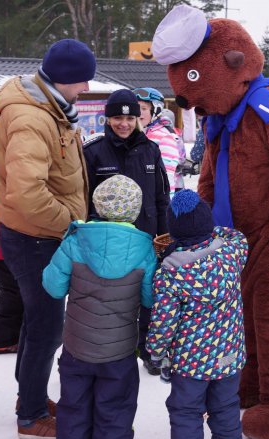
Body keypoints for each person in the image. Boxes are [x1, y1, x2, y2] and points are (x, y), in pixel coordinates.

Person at [0, 38, 95, 438]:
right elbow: (27, 193)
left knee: (38, 323)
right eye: (82, 80)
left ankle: (28, 397)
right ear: (64, 79)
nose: (86, 88)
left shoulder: (50, 109)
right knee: (47, 327)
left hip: (40, 234)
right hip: (36, 237)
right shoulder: (32, 118)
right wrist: (70, 224)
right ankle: (32, 415)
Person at [42, 175, 156, 439]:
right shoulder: (144, 250)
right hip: (118, 354)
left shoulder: (76, 241)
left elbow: (52, 286)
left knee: (73, 411)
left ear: (97, 205)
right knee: (115, 413)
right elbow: (149, 299)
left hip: (77, 349)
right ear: (134, 211)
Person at [146, 189, 247, 439]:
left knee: (186, 408)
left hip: (192, 361)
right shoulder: (231, 253)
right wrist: (212, 231)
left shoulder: (170, 272)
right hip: (230, 352)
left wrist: (155, 351)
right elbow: (237, 236)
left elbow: (163, 321)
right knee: (226, 402)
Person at [83, 89, 170, 376]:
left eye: (130, 117)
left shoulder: (150, 149)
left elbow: (161, 196)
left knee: (148, 297)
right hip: (108, 241)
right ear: (107, 119)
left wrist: (164, 234)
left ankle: (147, 350)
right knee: (111, 299)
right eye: (118, 117)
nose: (124, 123)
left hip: (146, 238)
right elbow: (83, 201)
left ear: (138, 118)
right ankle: (111, 353)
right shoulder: (93, 151)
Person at [0, 114, 23, 354]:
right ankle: (1, 338)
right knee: (13, 290)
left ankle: (3, 334)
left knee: (14, 289)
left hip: (4, 236)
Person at [133, 87, 185, 194]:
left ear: (156, 110)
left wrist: (165, 208)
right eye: (136, 108)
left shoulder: (164, 138)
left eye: (144, 109)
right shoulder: (138, 134)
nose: (139, 113)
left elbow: (167, 178)